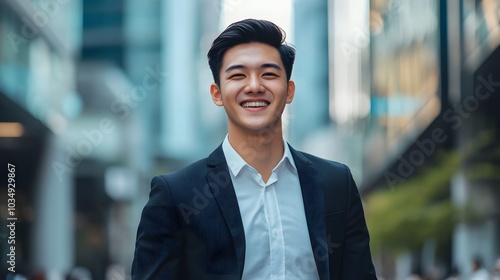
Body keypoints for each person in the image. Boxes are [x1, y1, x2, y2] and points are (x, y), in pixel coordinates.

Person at [131, 18, 377, 280]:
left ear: (289, 90)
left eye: (269, 74)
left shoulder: (336, 183)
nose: (254, 86)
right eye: (238, 75)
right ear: (216, 93)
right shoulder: (176, 194)